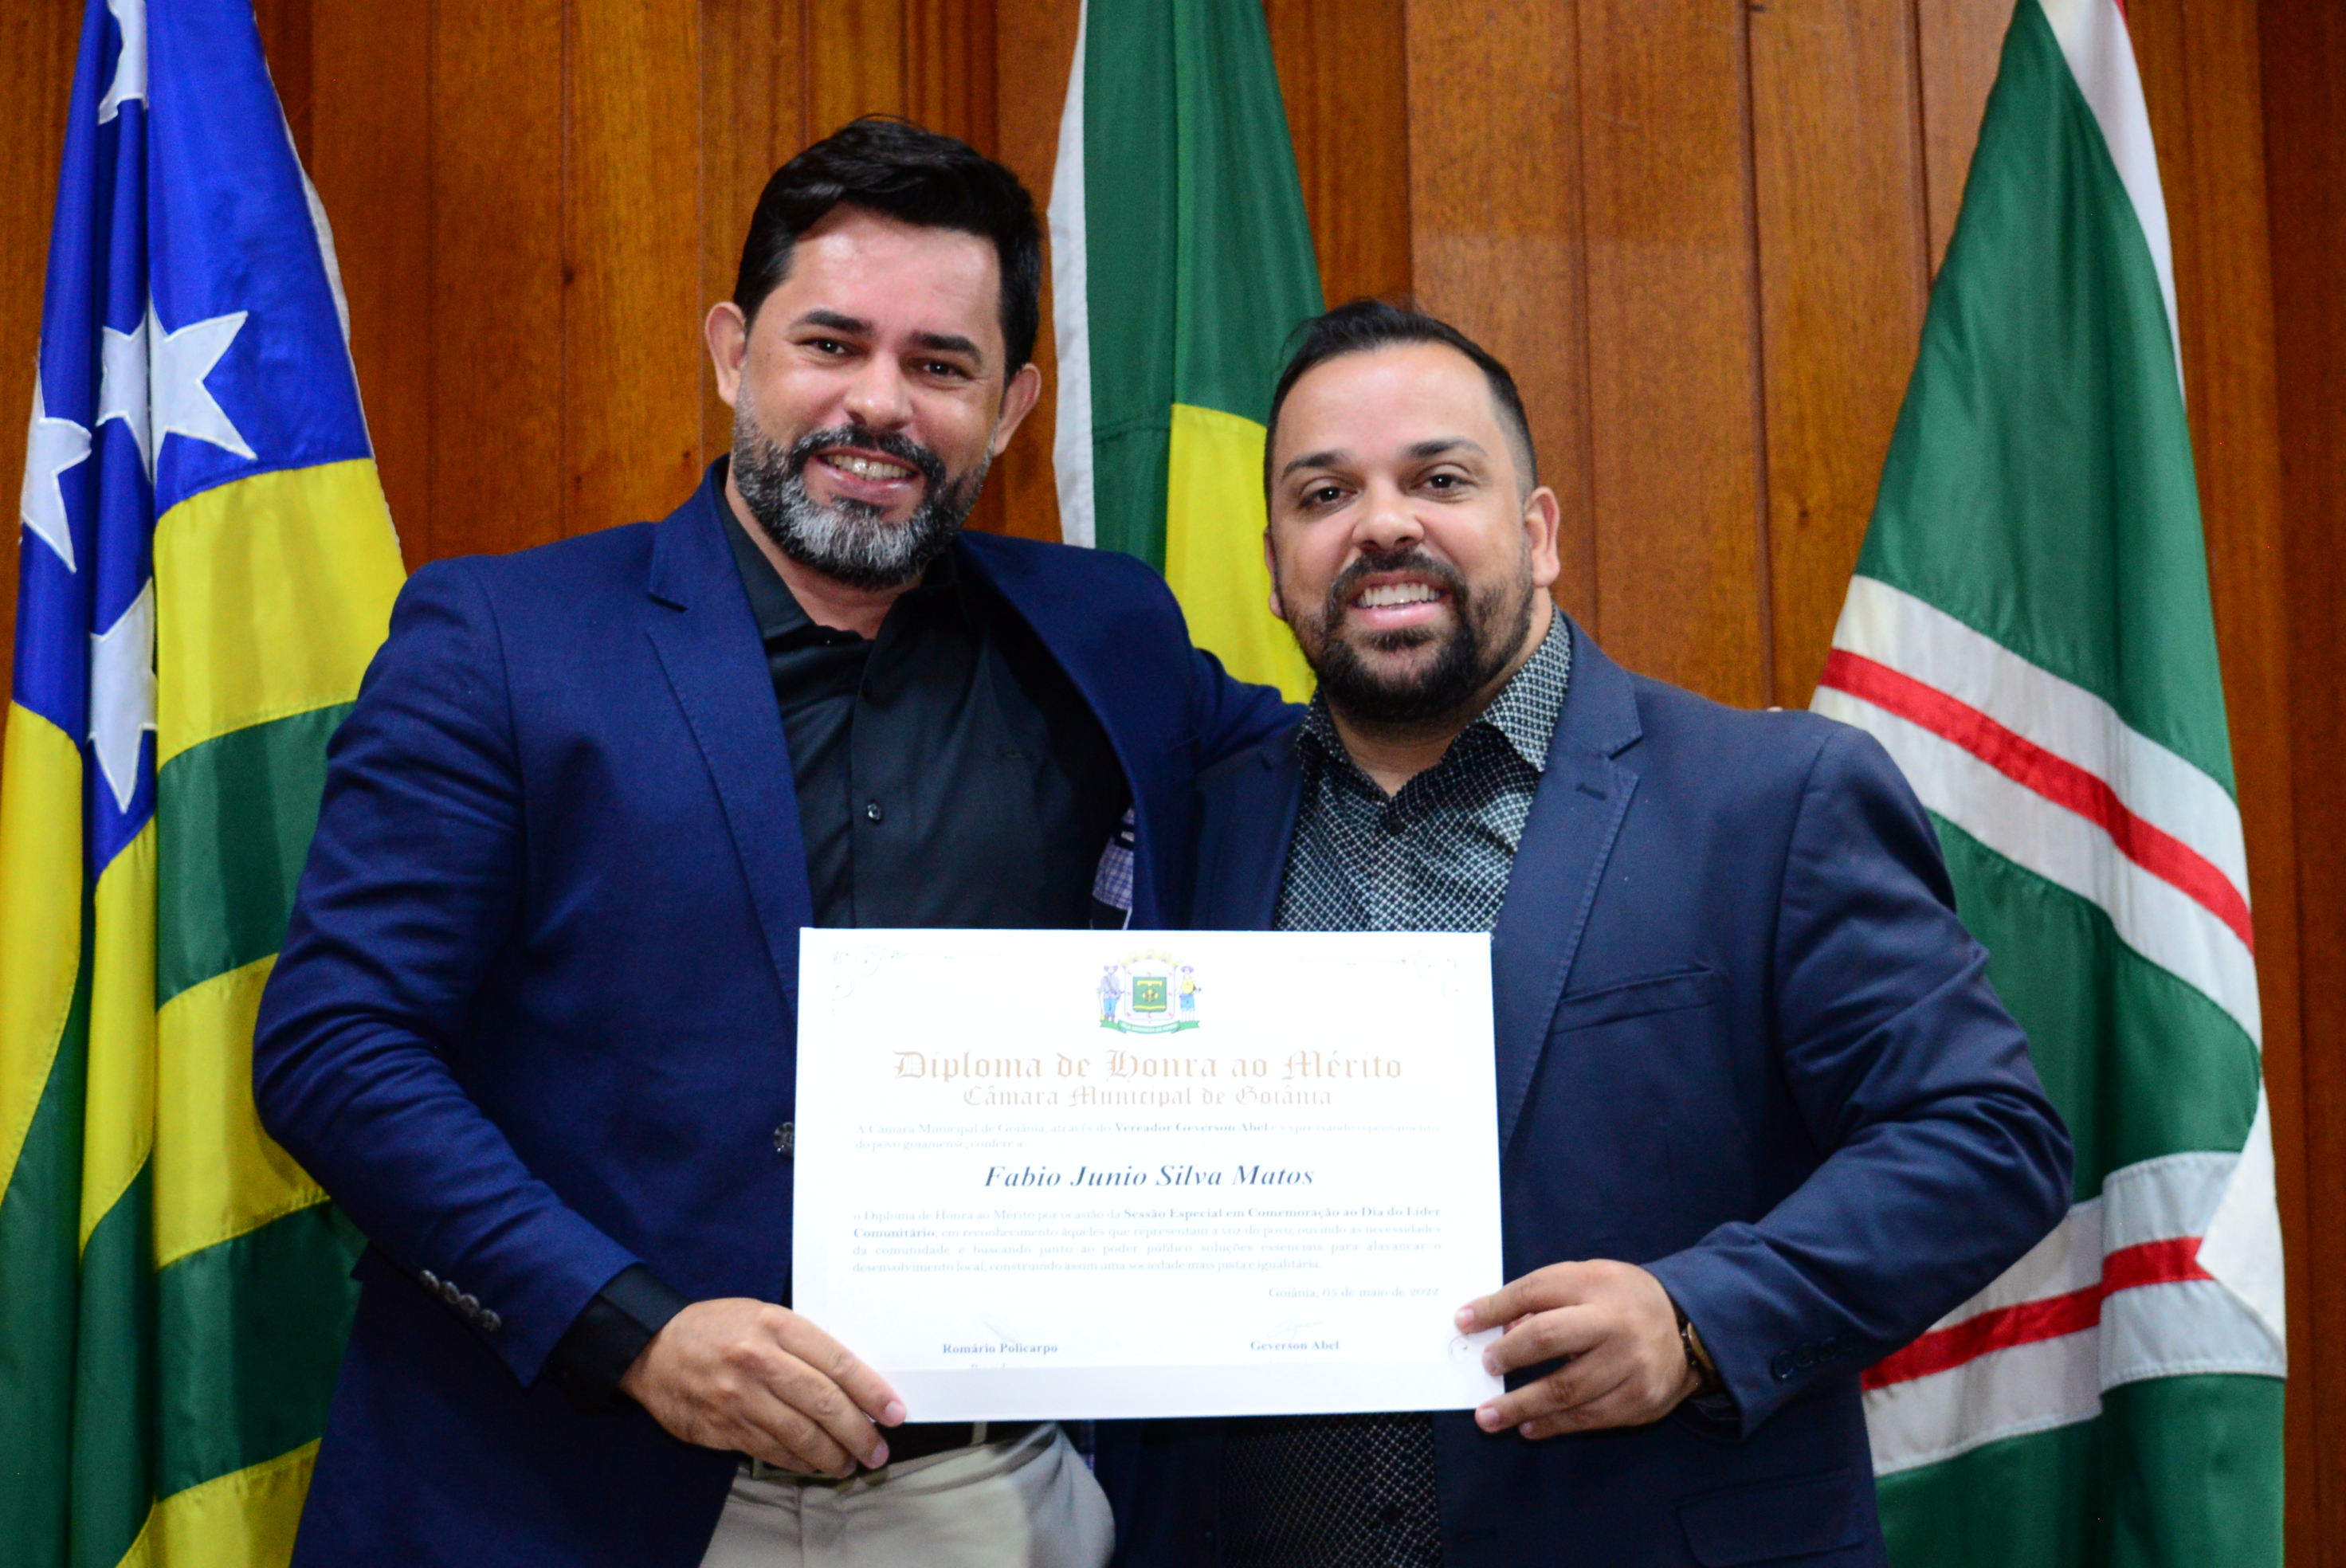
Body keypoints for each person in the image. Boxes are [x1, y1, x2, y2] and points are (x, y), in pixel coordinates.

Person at [253, 118, 1291, 1568]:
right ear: (735, 353)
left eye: (941, 366)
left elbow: (1344, 780)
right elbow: (337, 1048)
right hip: (568, 1484)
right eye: (832, 344)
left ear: (1013, 408)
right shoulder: (501, 640)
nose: (879, 403)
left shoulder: (1108, 635)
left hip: (984, 1497)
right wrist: (632, 1331)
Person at [1093, 300, 2073, 1566]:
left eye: (1440, 479)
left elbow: (1988, 1139)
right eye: (1324, 494)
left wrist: (1696, 1317)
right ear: (1277, 564)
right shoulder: (1202, 826)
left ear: (1538, 532)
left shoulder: (1771, 799)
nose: (1382, 524)